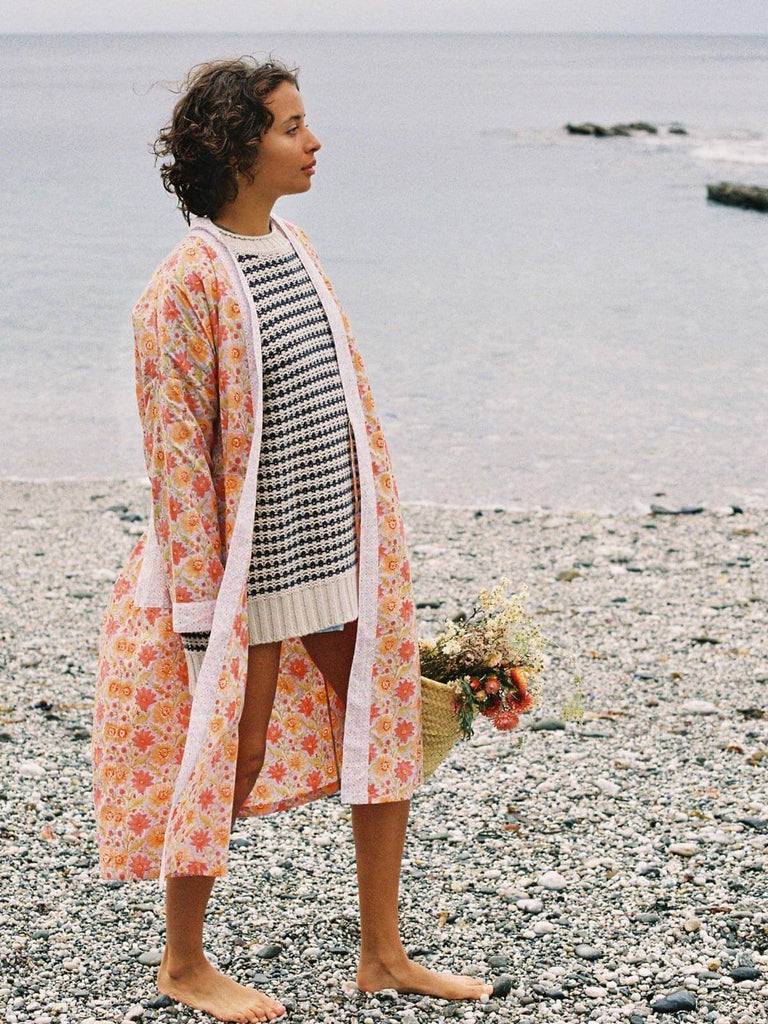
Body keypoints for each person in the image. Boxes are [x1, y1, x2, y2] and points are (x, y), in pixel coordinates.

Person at [91, 56, 494, 1023]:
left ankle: (383, 952)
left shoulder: (298, 248)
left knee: (386, 721)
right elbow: (177, 460)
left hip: (334, 551)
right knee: (232, 748)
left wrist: (379, 538)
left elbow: (342, 405)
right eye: (289, 127)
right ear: (236, 149)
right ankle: (183, 960)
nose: (312, 142)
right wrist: (196, 612)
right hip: (246, 574)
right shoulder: (182, 287)